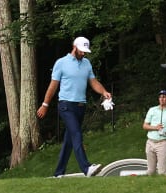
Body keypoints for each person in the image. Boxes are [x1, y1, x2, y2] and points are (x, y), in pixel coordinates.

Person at [37, 36, 113, 177]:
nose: (83, 53)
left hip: (80, 106)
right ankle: (86, 168)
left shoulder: (86, 64)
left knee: (69, 140)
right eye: (81, 50)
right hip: (66, 105)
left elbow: (93, 81)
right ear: (74, 47)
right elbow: (53, 86)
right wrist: (45, 104)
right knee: (77, 133)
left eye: (85, 51)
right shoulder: (61, 63)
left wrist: (104, 92)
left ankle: (58, 173)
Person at [142, 89, 166, 175]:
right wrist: (155, 128)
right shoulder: (152, 110)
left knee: (162, 171)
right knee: (150, 170)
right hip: (150, 142)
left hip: (162, 143)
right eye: (160, 97)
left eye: (164, 97)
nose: (161, 99)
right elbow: (145, 126)